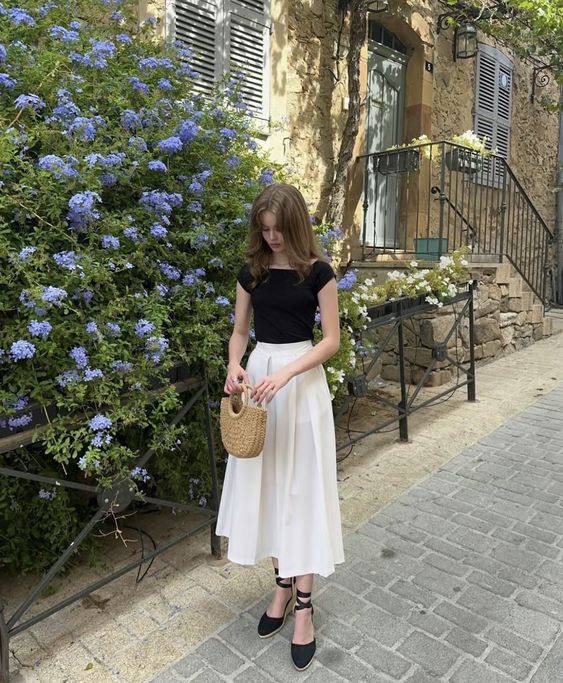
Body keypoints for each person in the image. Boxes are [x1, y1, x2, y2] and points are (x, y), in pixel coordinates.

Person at [216, 183, 344, 671]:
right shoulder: (251, 273)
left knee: (303, 493)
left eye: (278, 229)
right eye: (264, 229)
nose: (271, 238)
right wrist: (234, 365)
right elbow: (240, 331)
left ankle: (305, 608)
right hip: (261, 381)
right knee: (270, 488)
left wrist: (290, 371)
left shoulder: (319, 273)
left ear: (295, 225)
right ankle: (282, 586)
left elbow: (330, 340)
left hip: (301, 383)